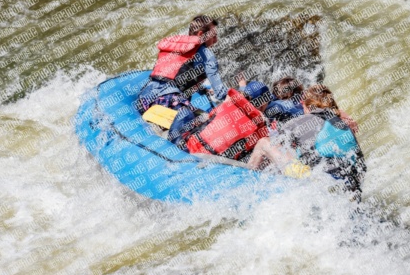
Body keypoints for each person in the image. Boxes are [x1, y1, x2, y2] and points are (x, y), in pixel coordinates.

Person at [248, 84, 366, 200]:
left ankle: (247, 178)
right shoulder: (344, 125)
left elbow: (276, 146)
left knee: (264, 143)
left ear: (306, 105)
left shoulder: (300, 121)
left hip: (320, 185)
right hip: (351, 188)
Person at [137, 15, 228, 144]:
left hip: (146, 97)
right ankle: (176, 148)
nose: (216, 40)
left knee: (197, 116)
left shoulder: (175, 44)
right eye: (213, 36)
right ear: (201, 34)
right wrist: (241, 94)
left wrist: (202, 89)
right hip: (172, 101)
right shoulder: (207, 55)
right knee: (208, 122)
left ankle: (160, 129)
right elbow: (221, 93)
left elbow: (175, 77)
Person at [182, 81, 273, 161]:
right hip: (211, 160)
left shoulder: (228, 102)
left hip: (190, 145)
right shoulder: (259, 125)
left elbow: (209, 118)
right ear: (263, 103)